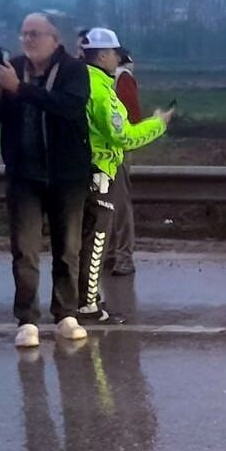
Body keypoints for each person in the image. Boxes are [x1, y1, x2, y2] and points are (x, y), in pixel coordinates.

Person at [0, 12, 92, 348]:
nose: (29, 40)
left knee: (67, 247)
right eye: (25, 34)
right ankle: (27, 319)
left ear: (55, 39)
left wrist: (20, 89)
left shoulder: (74, 70)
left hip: (66, 173)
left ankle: (66, 313)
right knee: (25, 249)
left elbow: (69, 107)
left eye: (36, 34)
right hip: (23, 174)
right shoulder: (12, 67)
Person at [76, 28, 171, 322]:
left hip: (77, 169)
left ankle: (74, 300)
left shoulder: (76, 81)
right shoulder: (103, 90)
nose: (118, 59)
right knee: (96, 238)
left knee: (79, 238)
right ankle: (88, 304)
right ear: (104, 55)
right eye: (115, 53)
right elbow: (123, 136)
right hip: (100, 170)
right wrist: (158, 124)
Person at [103, 48, 142, 276]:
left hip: (115, 149)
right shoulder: (108, 78)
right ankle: (110, 255)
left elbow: (131, 116)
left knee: (118, 205)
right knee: (104, 205)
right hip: (101, 150)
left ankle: (123, 256)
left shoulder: (121, 78)